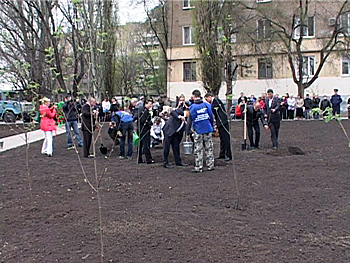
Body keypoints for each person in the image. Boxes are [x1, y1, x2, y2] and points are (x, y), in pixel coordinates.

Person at [186, 90, 214, 173]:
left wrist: (187, 131)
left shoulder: (192, 107)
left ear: (194, 97)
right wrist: (211, 125)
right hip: (207, 128)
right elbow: (211, 116)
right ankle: (210, 165)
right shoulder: (207, 105)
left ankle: (199, 166)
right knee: (209, 148)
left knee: (198, 149)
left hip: (198, 130)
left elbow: (190, 120)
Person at [204, 92, 232, 161]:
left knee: (226, 138)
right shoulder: (214, 102)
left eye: (207, 99)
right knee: (222, 138)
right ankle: (222, 154)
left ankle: (228, 155)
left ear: (210, 97)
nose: (207, 101)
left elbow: (214, 109)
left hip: (223, 122)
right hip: (219, 122)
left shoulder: (216, 101)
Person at [135, 99, 154, 164]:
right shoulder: (146, 111)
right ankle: (148, 159)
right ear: (146, 104)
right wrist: (150, 123)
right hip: (144, 130)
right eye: (150, 104)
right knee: (146, 144)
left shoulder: (140, 110)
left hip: (139, 129)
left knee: (140, 145)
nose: (151, 105)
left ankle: (139, 159)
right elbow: (143, 121)